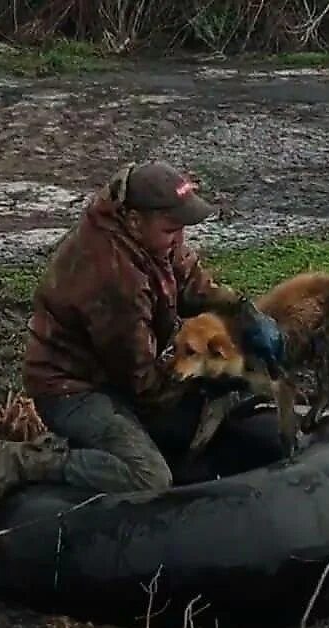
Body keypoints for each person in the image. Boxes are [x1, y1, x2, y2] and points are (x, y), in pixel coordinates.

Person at [19, 160, 286, 494]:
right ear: (134, 221)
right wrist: (207, 381)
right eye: (171, 229)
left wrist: (243, 311)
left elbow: (192, 283)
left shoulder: (152, 239)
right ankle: (24, 460)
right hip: (73, 387)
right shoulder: (115, 279)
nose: (179, 239)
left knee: (216, 407)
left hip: (113, 370)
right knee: (149, 477)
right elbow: (141, 381)